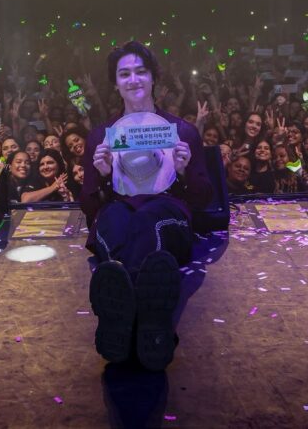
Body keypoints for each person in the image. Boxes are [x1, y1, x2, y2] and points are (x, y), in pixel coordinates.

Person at [81, 41, 212, 371]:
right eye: (124, 74)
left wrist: (184, 171)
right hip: (119, 213)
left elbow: (202, 200)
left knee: (148, 218)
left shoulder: (182, 132)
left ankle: (124, 323)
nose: (133, 79)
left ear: (154, 78)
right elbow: (89, 208)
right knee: (115, 219)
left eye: (141, 71)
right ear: (115, 83)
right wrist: (102, 177)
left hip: (167, 215)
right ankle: (152, 326)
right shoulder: (101, 136)